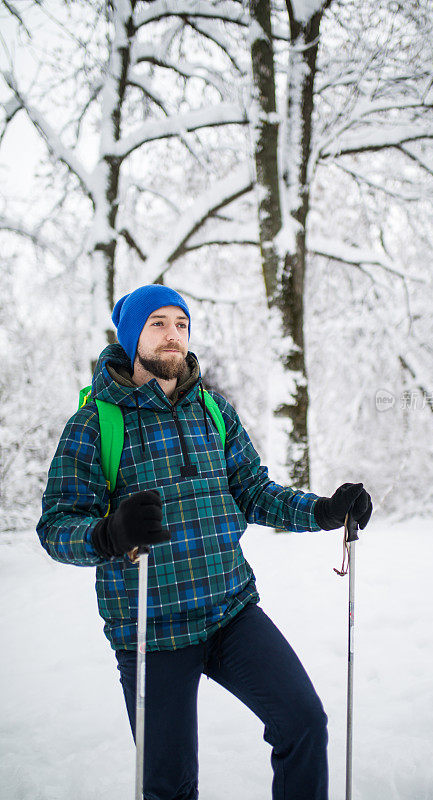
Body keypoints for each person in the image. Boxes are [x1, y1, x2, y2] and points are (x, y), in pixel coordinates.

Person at [37, 284, 372, 800]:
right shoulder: (95, 424)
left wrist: (324, 512)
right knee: (170, 786)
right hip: (151, 630)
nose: (173, 336)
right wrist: (108, 533)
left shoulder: (214, 411)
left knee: (304, 723)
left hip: (229, 611)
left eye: (181, 324)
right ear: (132, 338)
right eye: (158, 324)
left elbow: (255, 493)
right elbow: (56, 526)